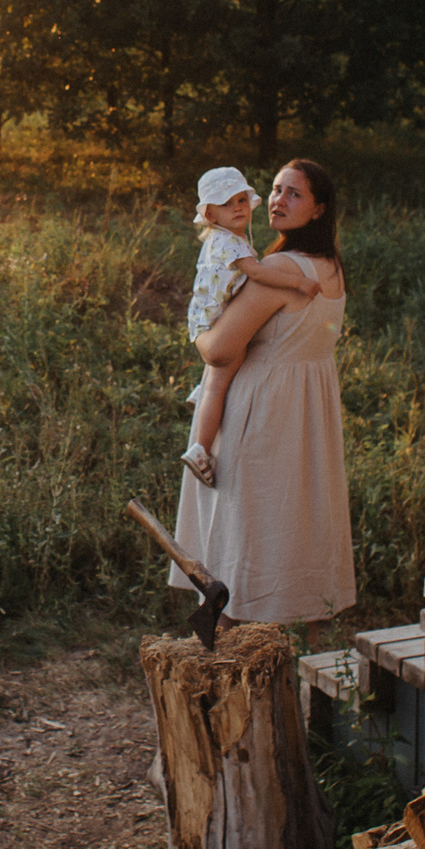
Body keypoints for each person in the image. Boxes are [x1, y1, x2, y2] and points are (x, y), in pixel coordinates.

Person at [168, 158, 355, 624]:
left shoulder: (278, 267)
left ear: (319, 209)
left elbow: (218, 350)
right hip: (306, 417)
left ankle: (226, 648)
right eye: (274, 189)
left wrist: (198, 333)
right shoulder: (331, 267)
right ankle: (294, 645)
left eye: (294, 193)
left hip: (261, 417)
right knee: (289, 533)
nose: (277, 200)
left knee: (241, 543)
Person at [182, 166, 321, 487]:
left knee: (223, 373)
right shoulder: (233, 245)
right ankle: (200, 449)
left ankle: (204, 392)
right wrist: (298, 282)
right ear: (211, 214)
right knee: (220, 381)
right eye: (226, 203)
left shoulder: (219, 239)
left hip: (206, 315)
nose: (238, 208)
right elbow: (258, 274)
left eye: (241, 200)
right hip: (214, 320)